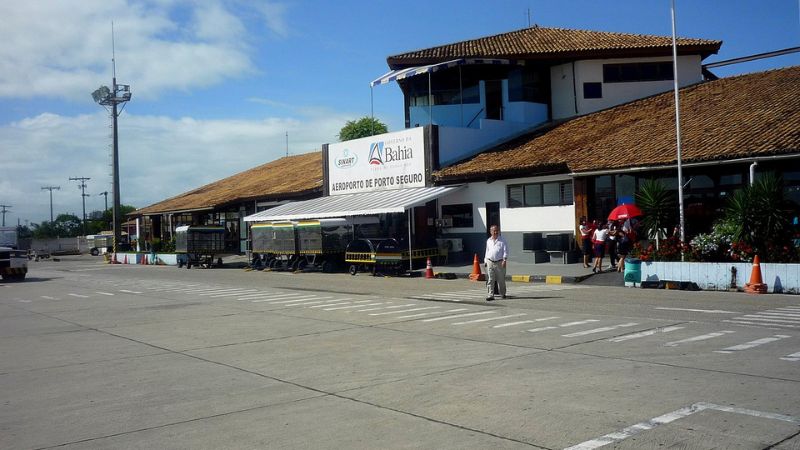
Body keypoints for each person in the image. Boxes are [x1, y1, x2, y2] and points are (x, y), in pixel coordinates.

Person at [484, 224, 508, 301]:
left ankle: (503, 293)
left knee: (501, 279)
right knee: (490, 279)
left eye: (496, 231)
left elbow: (505, 251)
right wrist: (485, 261)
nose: (495, 232)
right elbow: (487, 251)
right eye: (493, 231)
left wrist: (504, 260)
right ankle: (490, 295)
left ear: (499, 231)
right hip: (490, 261)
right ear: (491, 232)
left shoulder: (502, 240)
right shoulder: (488, 241)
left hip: (499, 262)